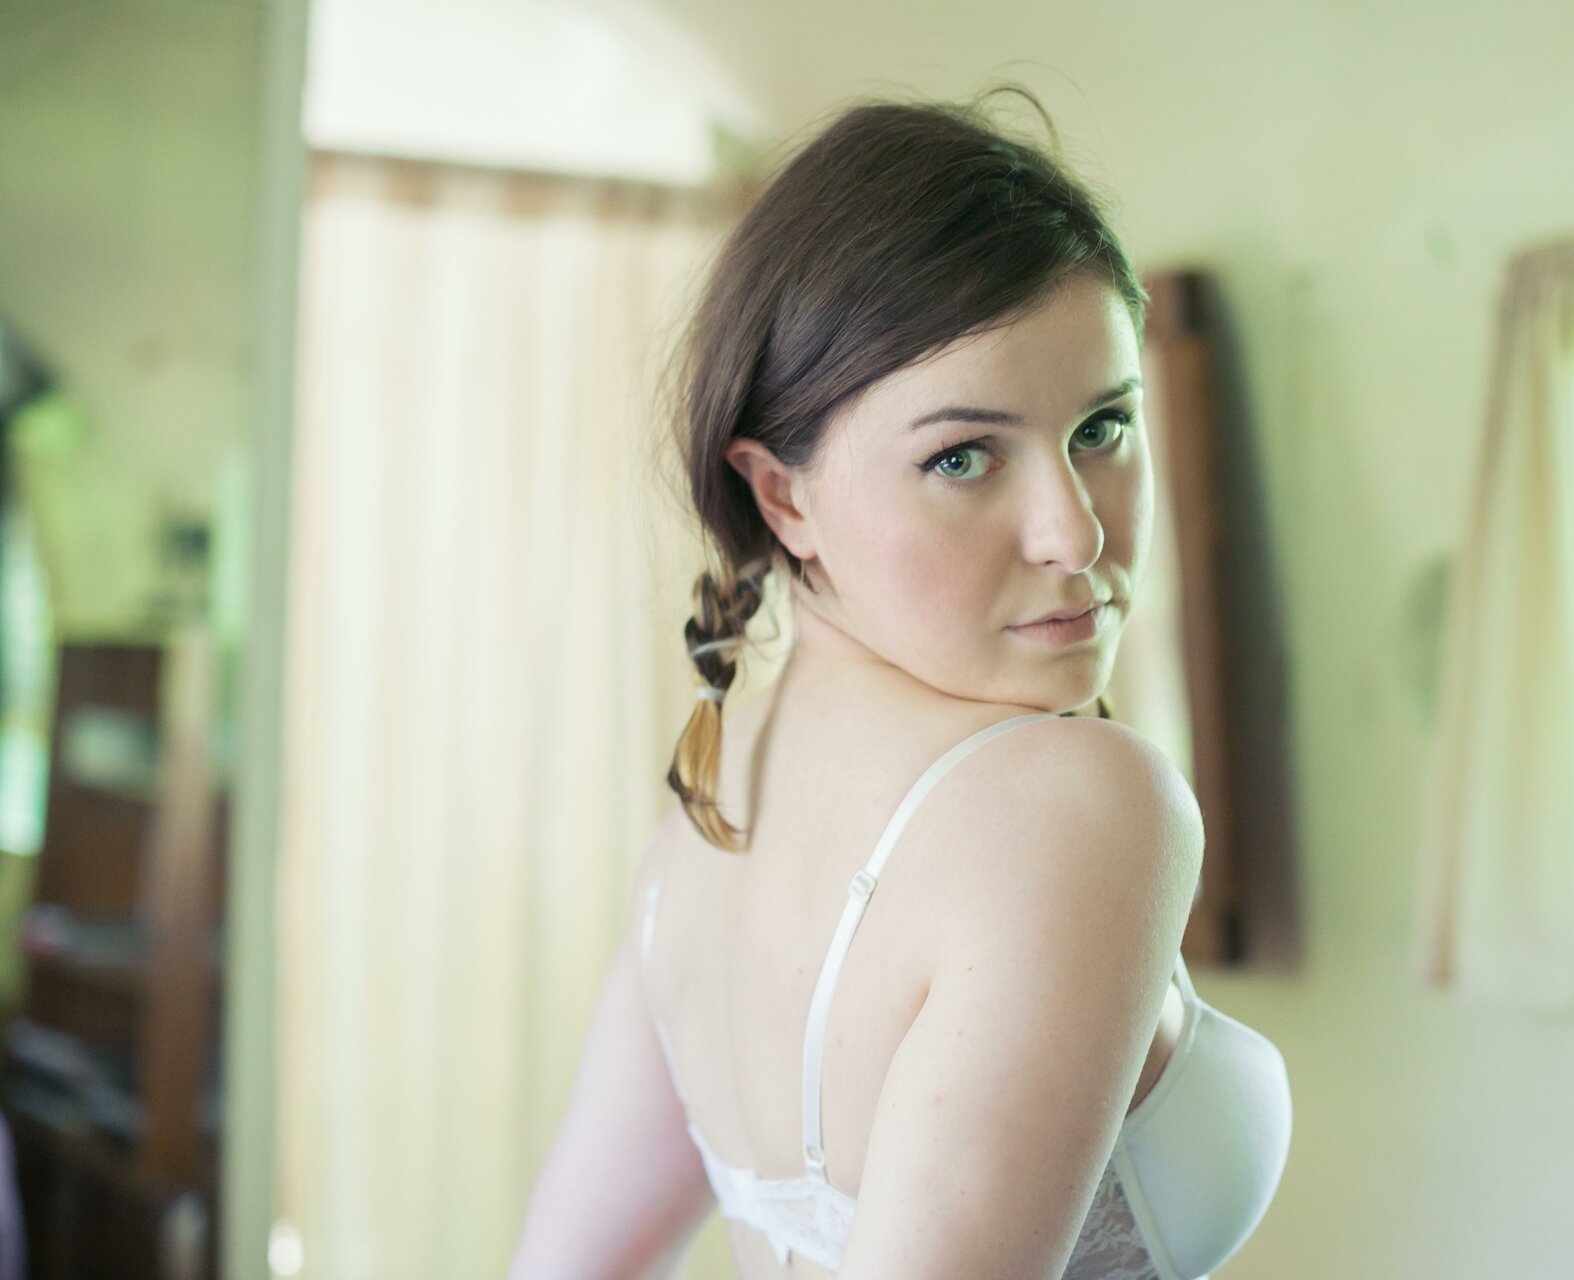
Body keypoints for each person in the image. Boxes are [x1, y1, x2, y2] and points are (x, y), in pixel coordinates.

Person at [510, 87, 1292, 1280]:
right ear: (785, 496)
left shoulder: (704, 826)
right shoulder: (1077, 801)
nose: (1075, 533)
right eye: (962, 456)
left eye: (1101, 428)